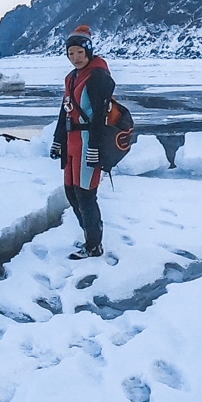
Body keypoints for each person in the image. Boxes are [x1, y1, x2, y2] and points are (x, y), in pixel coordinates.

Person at [51, 24, 115, 259]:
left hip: (89, 142)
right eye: (71, 54)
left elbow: (99, 115)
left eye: (79, 52)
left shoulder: (98, 76)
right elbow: (64, 112)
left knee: (86, 195)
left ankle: (94, 246)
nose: (75, 58)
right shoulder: (71, 78)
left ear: (88, 50)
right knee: (71, 192)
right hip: (72, 143)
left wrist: (96, 149)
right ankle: (89, 236)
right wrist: (58, 141)